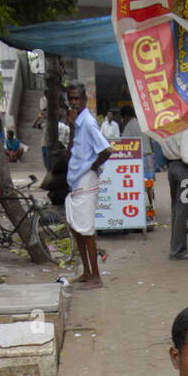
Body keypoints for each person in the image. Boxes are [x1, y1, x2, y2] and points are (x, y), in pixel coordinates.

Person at [65, 82, 111, 288]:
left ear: (84, 100)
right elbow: (70, 153)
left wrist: (92, 166)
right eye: (71, 99)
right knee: (77, 228)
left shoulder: (89, 123)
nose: (73, 102)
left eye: (77, 99)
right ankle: (87, 272)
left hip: (85, 180)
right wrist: (72, 128)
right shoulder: (77, 122)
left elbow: (107, 151)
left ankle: (96, 277)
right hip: (76, 180)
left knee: (86, 231)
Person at [156, 128, 188, 261]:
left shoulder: (166, 124)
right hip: (184, 170)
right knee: (183, 210)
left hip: (172, 168)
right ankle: (178, 250)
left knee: (176, 208)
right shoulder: (185, 128)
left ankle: (175, 245)